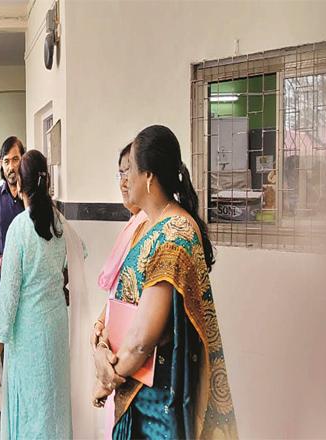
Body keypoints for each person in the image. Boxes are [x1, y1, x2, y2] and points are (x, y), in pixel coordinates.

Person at [92, 125, 238, 439]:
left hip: (158, 404)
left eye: (129, 169)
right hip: (135, 384)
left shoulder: (175, 233)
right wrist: (100, 347)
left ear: (148, 176)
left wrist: (107, 378)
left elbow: (144, 338)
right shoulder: (148, 226)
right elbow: (122, 300)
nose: (124, 179)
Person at [0, 150, 73, 439]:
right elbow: (78, 256)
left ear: (20, 187)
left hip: (28, 335)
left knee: (31, 408)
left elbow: (9, 297)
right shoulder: (60, 225)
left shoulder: (19, 229)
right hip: (56, 327)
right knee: (54, 403)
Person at [90, 142, 148, 439]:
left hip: (130, 357)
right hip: (115, 345)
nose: (124, 181)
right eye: (120, 173)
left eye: (129, 171)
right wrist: (101, 322)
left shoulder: (149, 225)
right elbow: (117, 288)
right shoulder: (131, 224)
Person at [0, 136, 26, 295]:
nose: (11, 167)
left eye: (15, 159)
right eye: (6, 161)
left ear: (23, 159)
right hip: (5, 281)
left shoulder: (31, 198)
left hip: (30, 282)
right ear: (1, 163)